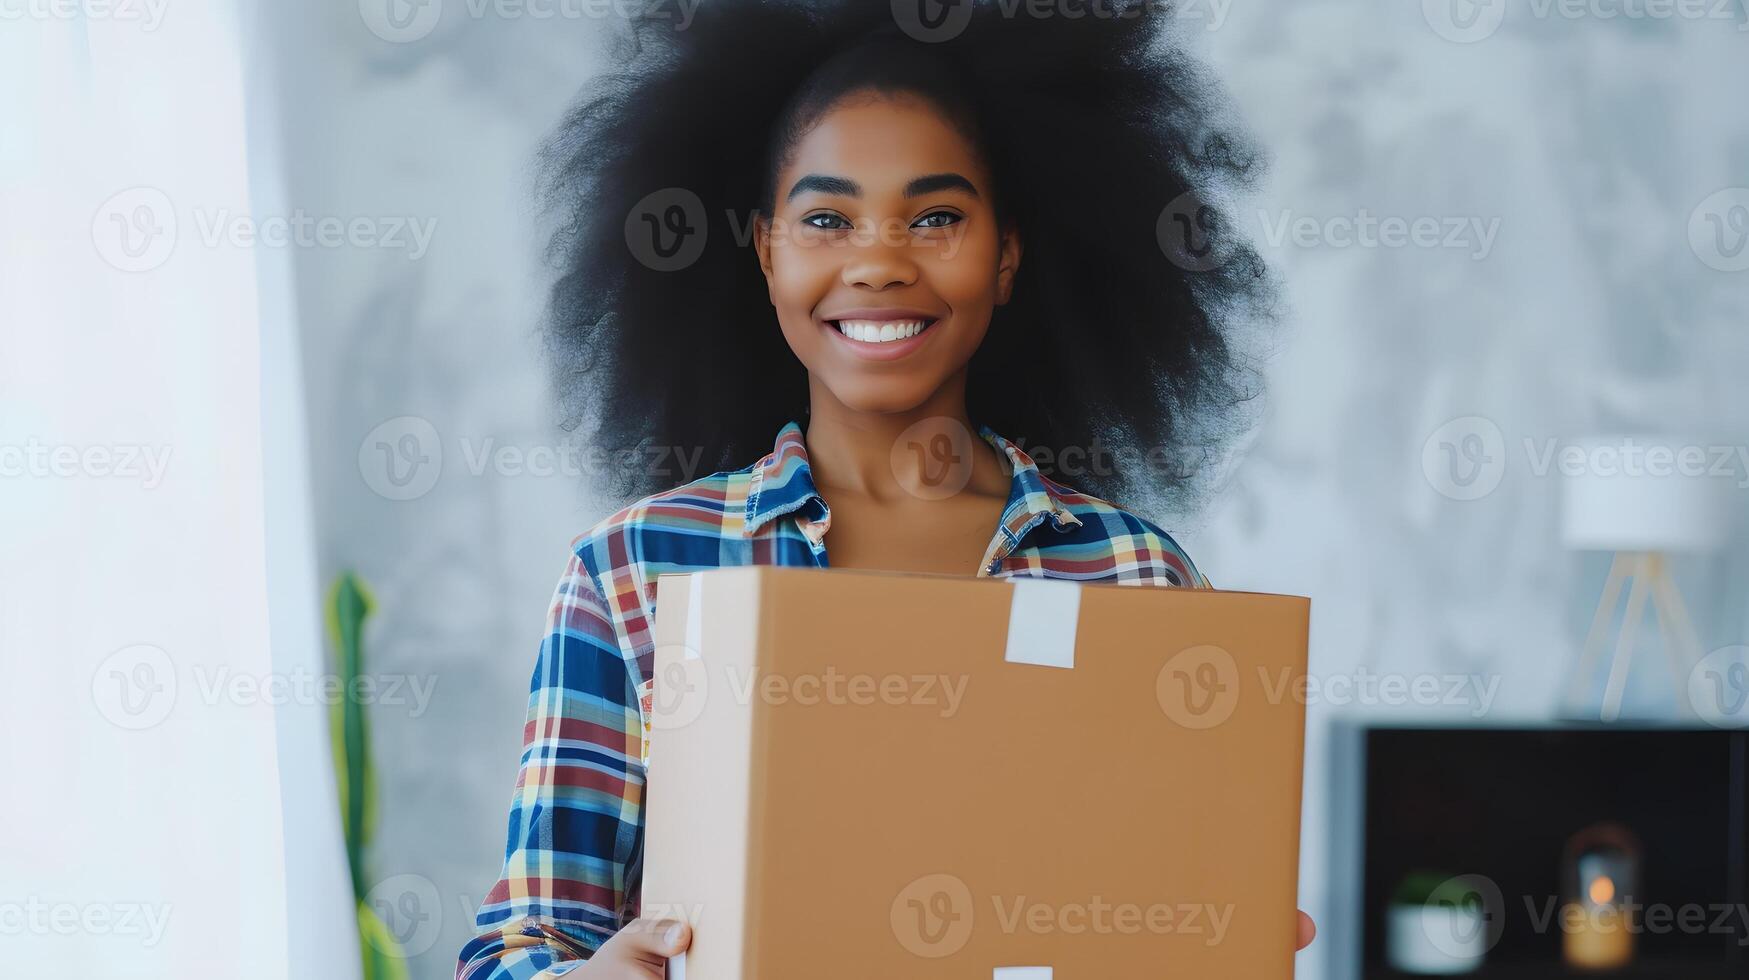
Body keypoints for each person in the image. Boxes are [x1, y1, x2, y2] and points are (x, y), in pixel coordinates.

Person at [458, 2, 1311, 976]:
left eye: (937, 216)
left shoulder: (1134, 575)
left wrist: (1219, 936)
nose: (878, 259)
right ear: (768, 248)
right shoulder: (636, 573)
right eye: (827, 218)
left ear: (1007, 254)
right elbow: (519, 947)